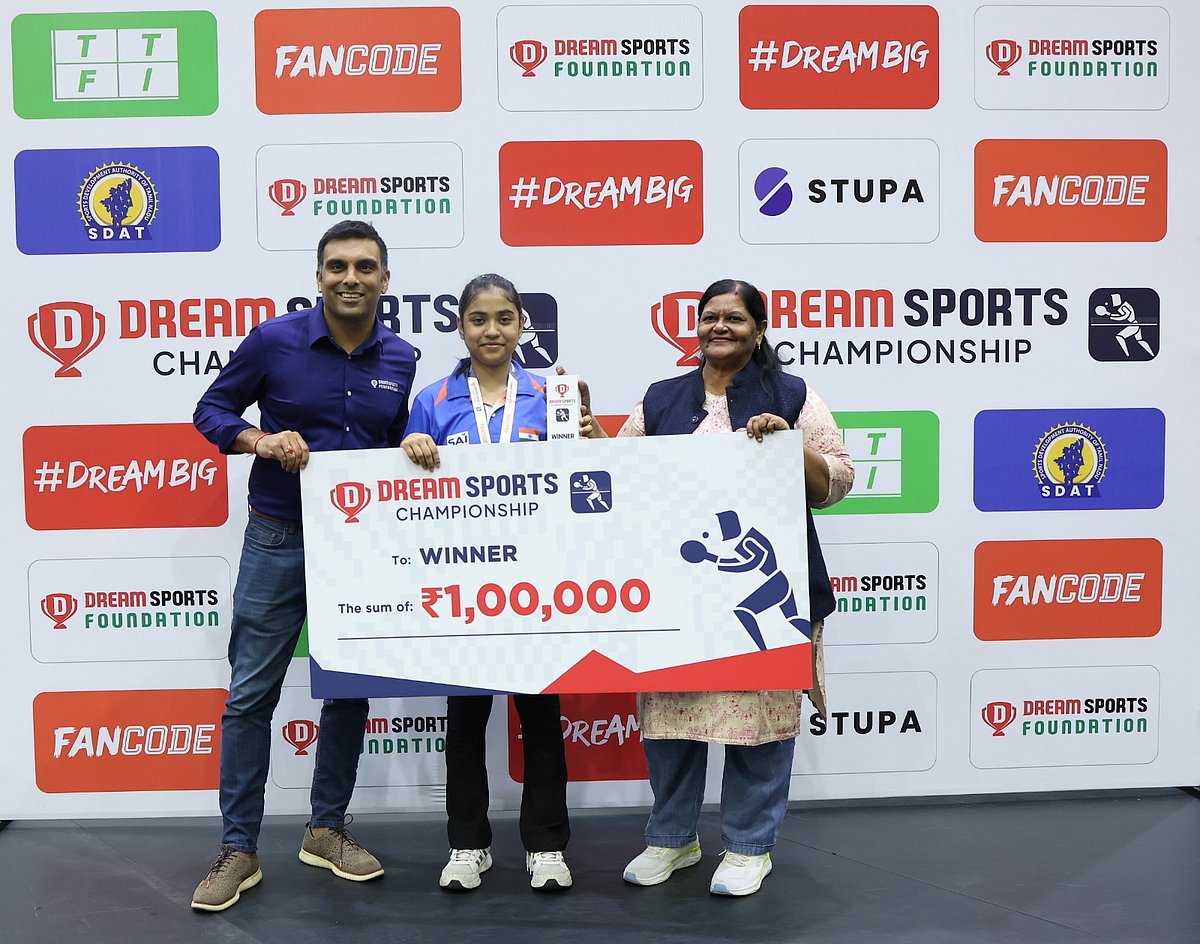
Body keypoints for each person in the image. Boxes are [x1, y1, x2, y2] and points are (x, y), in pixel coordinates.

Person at [190, 220, 417, 911]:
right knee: (249, 697)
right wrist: (257, 440)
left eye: (365, 267)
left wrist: (413, 449)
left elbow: (393, 440)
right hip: (278, 537)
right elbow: (211, 409)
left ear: (385, 279)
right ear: (318, 277)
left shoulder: (402, 356)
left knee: (347, 692)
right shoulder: (272, 340)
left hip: (358, 546)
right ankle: (238, 848)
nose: (351, 278)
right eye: (337, 266)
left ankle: (325, 830)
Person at [619, 278, 853, 897]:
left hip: (766, 591)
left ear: (759, 328)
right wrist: (585, 434)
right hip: (677, 595)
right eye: (710, 317)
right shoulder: (661, 398)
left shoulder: (792, 394)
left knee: (760, 722)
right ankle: (672, 838)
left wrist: (789, 446)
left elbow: (837, 482)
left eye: (735, 318)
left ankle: (750, 847)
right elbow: (622, 473)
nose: (720, 327)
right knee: (671, 724)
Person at [401, 273, 600, 893]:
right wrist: (410, 444)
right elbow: (402, 487)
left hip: (539, 583)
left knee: (541, 714)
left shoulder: (550, 393)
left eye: (505, 318)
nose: (492, 330)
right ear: (461, 327)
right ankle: (467, 845)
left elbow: (585, 480)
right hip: (463, 583)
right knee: (465, 719)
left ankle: (546, 846)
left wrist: (589, 435)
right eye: (479, 319)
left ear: (522, 326)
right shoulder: (433, 399)